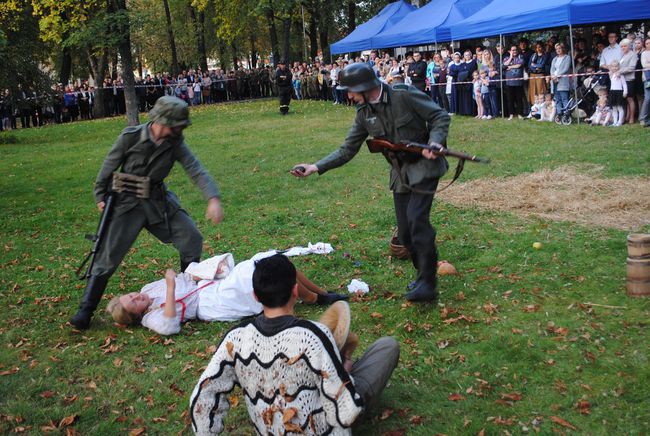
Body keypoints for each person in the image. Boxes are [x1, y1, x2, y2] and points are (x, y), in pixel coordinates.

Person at [290, 63, 450, 303]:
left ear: (364, 87)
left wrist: (436, 141)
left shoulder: (403, 95)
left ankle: (428, 283)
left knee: (418, 219)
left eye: (351, 90)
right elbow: (347, 149)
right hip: (400, 171)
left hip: (425, 166)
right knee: (406, 235)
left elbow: (439, 116)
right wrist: (315, 167)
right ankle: (422, 274)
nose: (349, 95)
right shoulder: (363, 114)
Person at [189, 254, 399, 434]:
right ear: (296, 291)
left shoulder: (235, 338)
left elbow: (200, 399)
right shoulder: (314, 336)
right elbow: (345, 412)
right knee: (387, 347)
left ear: (255, 296)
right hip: (321, 428)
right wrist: (346, 373)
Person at [70, 96, 224, 330]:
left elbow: (196, 170)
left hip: (158, 203)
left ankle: (189, 291)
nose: (182, 128)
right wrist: (100, 196)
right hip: (126, 204)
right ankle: (85, 311)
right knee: (107, 256)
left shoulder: (175, 143)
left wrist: (212, 198)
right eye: (179, 124)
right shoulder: (130, 137)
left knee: (191, 237)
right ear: (164, 122)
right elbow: (108, 166)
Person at [107, 251, 349, 335]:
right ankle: (315, 298)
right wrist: (170, 287)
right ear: (138, 315)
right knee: (258, 273)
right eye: (135, 304)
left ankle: (321, 294)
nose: (138, 298)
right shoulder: (152, 319)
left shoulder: (148, 289)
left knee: (272, 261)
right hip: (210, 303)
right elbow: (170, 325)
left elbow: (185, 279)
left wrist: (204, 271)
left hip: (207, 284)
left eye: (131, 295)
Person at [548, 43, 572, 120]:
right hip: (554, 81)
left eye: (559, 48)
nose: (558, 50)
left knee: (564, 98)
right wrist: (552, 76)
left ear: (563, 49)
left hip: (563, 81)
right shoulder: (554, 59)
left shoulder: (567, 57)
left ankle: (566, 114)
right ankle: (559, 114)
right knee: (557, 98)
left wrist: (557, 75)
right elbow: (552, 69)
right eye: (556, 49)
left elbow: (565, 68)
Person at [618, 39, 637, 124]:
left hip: (629, 79)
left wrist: (620, 71)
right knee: (623, 99)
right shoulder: (622, 55)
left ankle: (632, 118)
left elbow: (631, 68)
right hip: (621, 80)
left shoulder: (633, 55)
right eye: (621, 46)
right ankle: (624, 117)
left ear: (629, 46)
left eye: (625, 46)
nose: (623, 48)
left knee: (630, 99)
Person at [608, 60, 627, 126]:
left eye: (616, 66)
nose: (614, 68)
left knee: (620, 107)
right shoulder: (611, 75)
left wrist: (625, 91)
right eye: (613, 66)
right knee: (614, 108)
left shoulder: (621, 75)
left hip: (619, 92)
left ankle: (620, 122)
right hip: (612, 92)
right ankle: (615, 122)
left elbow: (624, 84)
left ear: (618, 67)